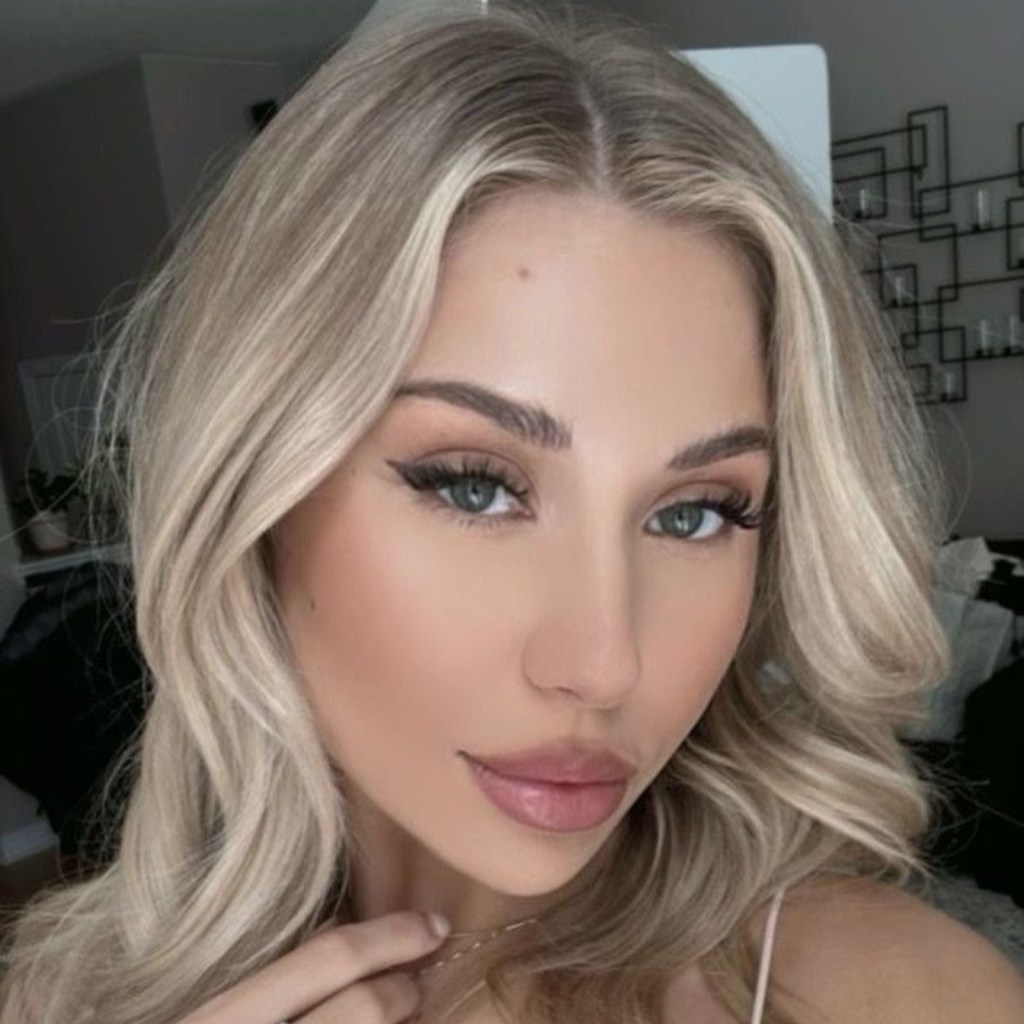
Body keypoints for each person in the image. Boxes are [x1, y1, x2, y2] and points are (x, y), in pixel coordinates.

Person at [2, 2, 1022, 1023]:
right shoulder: (62, 996)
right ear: (256, 494)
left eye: (696, 514)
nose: (603, 665)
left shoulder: (899, 995)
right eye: (474, 486)